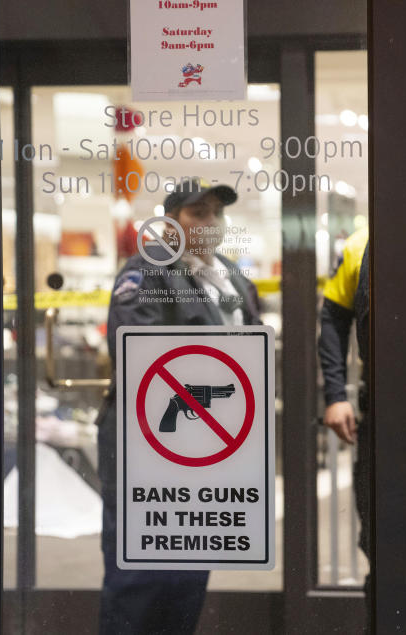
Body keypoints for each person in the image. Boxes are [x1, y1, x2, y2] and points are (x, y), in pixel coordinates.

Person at [96, 178, 261, 634]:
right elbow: (137, 355)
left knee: (189, 574)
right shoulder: (148, 271)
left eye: (217, 214)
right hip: (150, 444)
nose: (210, 223)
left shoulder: (233, 278)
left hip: (208, 446)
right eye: (198, 213)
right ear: (171, 223)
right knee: (140, 579)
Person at [317, 225, 372, 601]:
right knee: (377, 534)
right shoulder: (362, 242)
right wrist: (336, 395)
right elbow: (333, 319)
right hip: (384, 407)